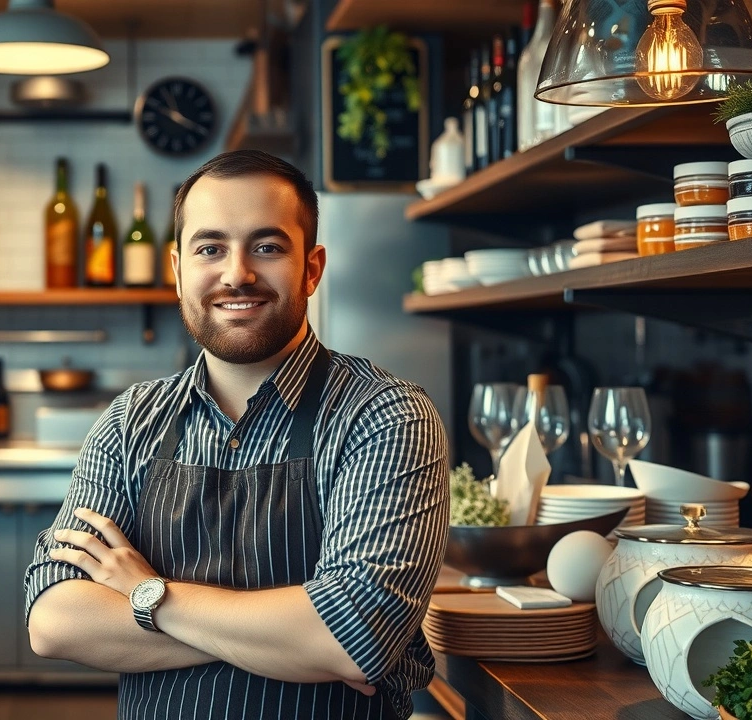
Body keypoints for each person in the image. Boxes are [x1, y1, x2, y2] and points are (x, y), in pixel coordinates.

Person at [23, 150, 450, 719]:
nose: (236, 274)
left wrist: (152, 594)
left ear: (312, 268)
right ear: (176, 269)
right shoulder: (129, 424)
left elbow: (355, 635)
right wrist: (291, 642)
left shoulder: (386, 417)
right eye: (210, 248)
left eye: (267, 247)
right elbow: (54, 621)